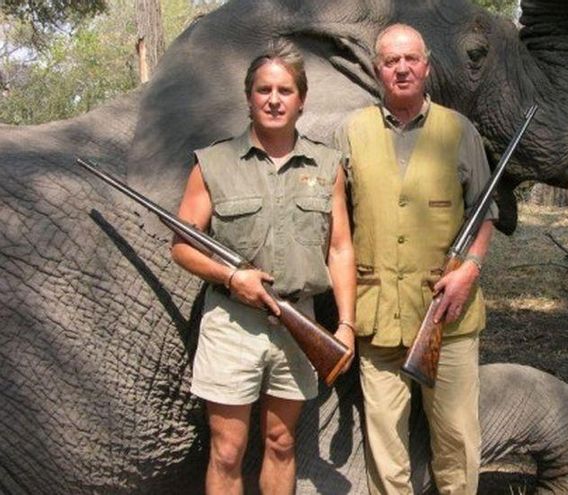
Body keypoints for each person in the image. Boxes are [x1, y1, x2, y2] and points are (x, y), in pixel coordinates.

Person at [171, 39, 355, 494]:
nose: (274, 99)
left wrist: (347, 325)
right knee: (228, 451)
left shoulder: (328, 165)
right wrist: (233, 277)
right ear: (249, 97)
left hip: (299, 324)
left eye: (285, 90)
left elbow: (340, 248)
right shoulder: (213, 163)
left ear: (302, 99)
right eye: (263, 89)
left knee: (281, 442)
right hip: (233, 324)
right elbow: (182, 245)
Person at [335, 23, 496, 495]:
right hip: (377, 315)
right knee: (385, 447)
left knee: (457, 441)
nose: (401, 68)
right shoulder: (350, 131)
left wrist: (471, 269)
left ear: (426, 66)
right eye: (391, 61)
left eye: (411, 59)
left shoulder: (459, 130)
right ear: (377, 70)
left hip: (448, 315)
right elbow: (336, 224)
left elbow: (486, 213)